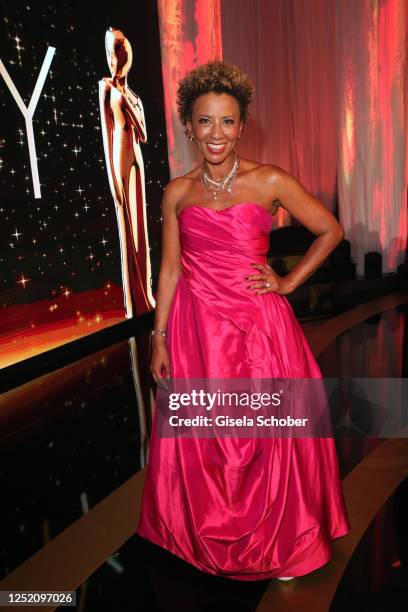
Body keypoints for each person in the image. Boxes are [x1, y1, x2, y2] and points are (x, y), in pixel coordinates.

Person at [136, 60, 350, 581]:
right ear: (188, 125)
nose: (217, 134)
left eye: (227, 122)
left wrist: (288, 282)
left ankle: (285, 539)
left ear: (242, 125)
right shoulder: (177, 192)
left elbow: (330, 230)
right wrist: (159, 336)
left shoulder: (269, 179)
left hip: (258, 326)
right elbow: (167, 271)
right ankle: (205, 534)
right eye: (205, 121)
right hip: (195, 329)